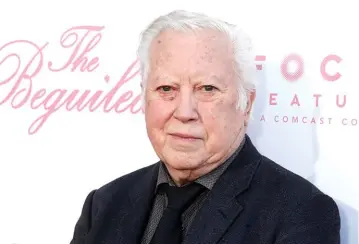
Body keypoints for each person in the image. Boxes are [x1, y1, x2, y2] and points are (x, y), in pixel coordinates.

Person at [70, 10, 340, 244]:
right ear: (144, 97)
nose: (185, 112)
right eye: (166, 89)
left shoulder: (300, 212)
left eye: (207, 89)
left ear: (247, 104)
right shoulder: (104, 204)